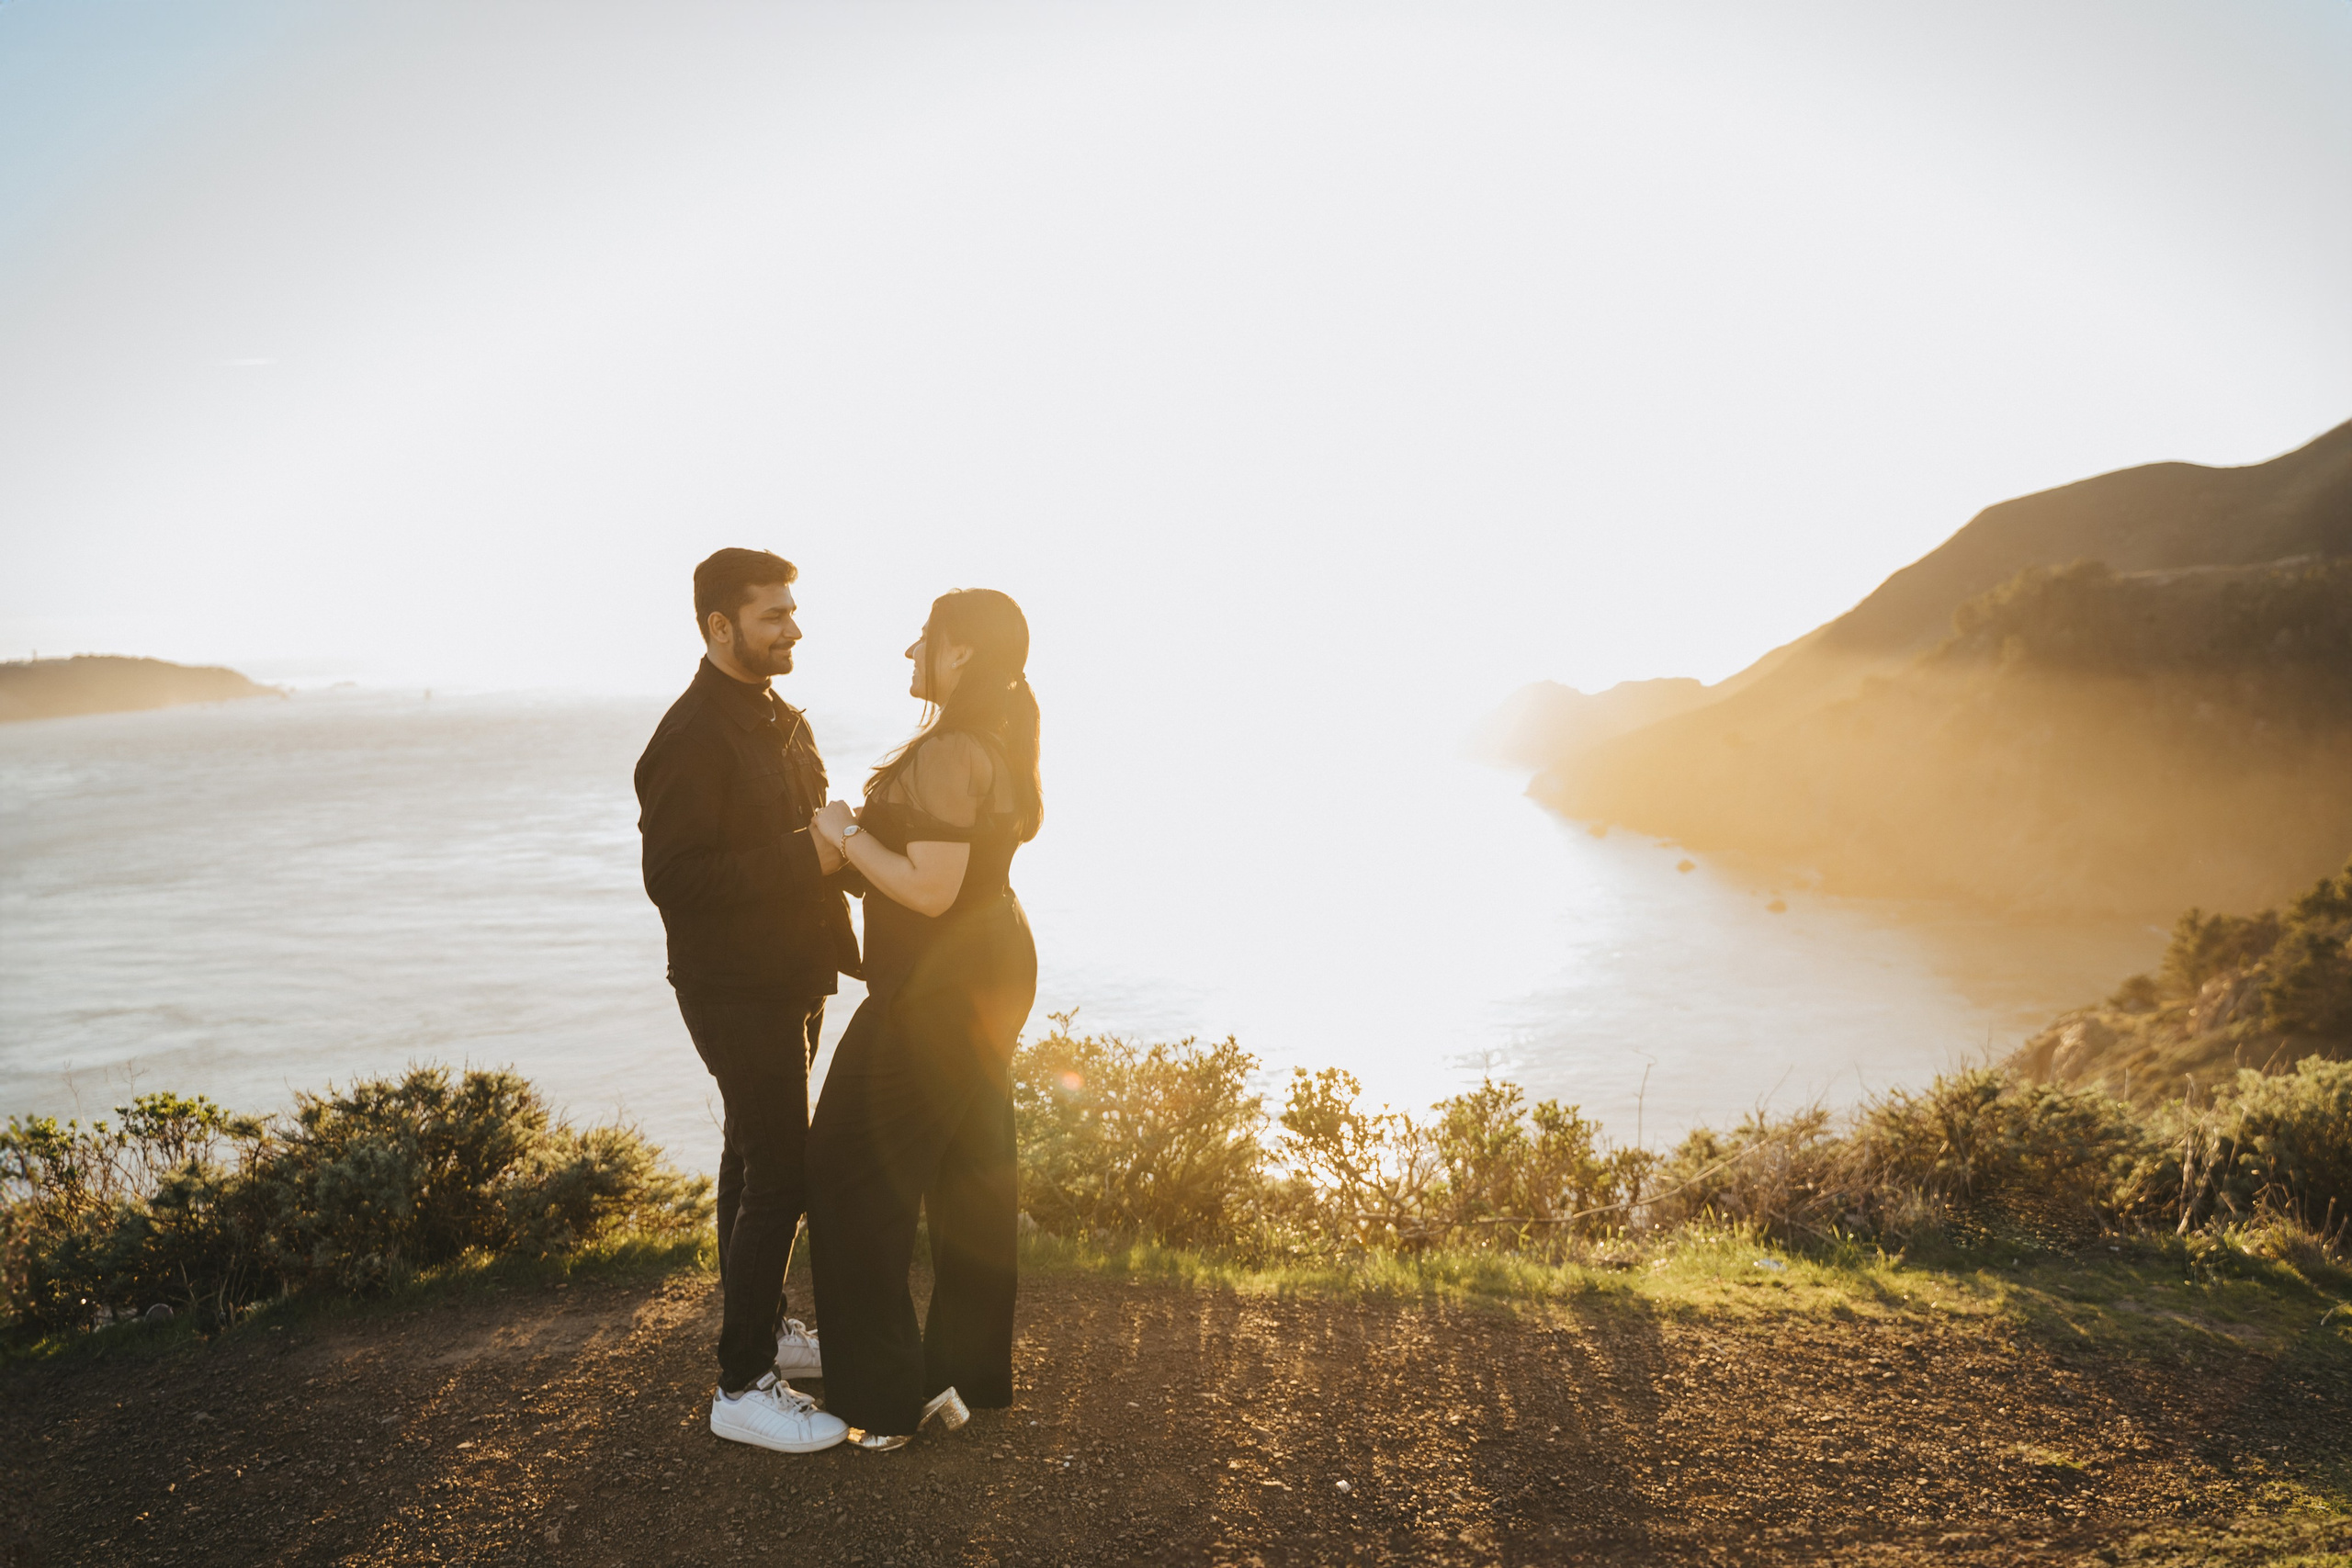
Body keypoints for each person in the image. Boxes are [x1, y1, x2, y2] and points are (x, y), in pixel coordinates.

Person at [634, 547, 860, 1454]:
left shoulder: (779, 718)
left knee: (749, 1156)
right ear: (720, 626)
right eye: (773, 615)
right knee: (783, 1171)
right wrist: (814, 853)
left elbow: (817, 832)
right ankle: (741, 1388)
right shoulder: (689, 738)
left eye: (792, 611)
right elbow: (674, 878)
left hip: (792, 972)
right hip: (732, 986)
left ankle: (757, 1336)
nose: (793, 628)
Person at [805, 589, 1042, 1450]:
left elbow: (932, 889)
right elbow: (946, 874)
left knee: (845, 1172)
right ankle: (956, 1376)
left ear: (964, 652)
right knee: (970, 1163)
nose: (912, 651)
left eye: (926, 639)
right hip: (988, 964)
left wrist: (841, 833)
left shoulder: (950, 749)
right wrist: (867, 859)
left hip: (940, 984)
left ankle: (884, 1399)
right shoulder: (998, 737)